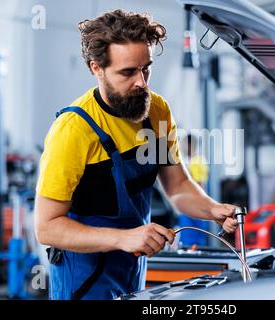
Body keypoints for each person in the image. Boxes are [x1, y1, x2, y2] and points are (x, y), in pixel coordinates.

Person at [34, 10, 238, 300]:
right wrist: (124, 238)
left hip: (132, 268)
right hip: (83, 279)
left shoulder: (156, 111)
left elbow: (177, 186)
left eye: (146, 69)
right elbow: (47, 228)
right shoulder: (72, 131)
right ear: (97, 68)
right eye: (128, 72)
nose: (141, 82)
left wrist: (212, 209)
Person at [178, 134, 210, 246]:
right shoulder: (197, 160)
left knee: (190, 243)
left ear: (190, 145)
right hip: (195, 207)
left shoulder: (196, 162)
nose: (181, 147)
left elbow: (198, 186)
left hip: (192, 208)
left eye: (183, 144)